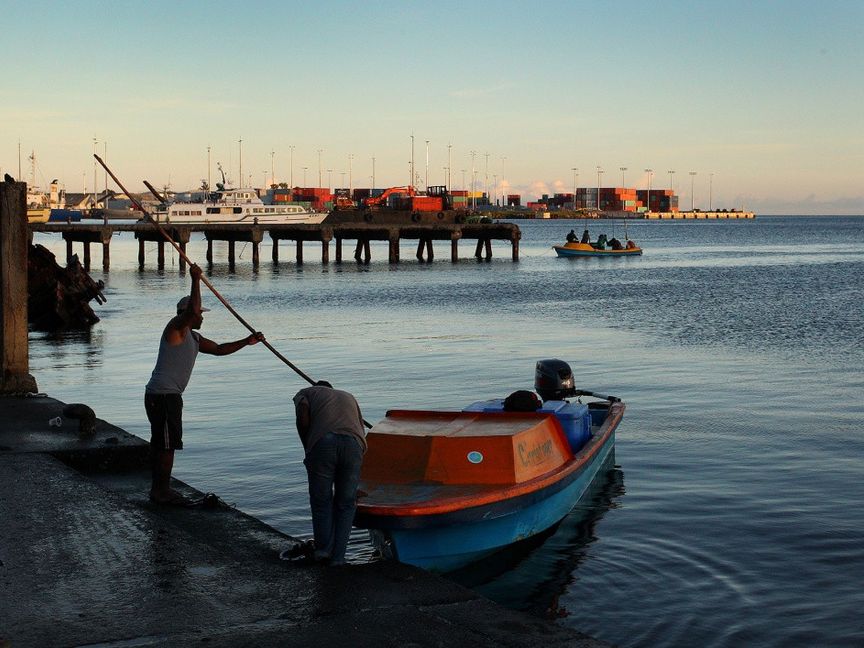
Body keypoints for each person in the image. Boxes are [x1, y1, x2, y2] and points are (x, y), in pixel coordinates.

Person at [145, 264, 264, 505]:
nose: (202, 317)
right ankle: (160, 491)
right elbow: (190, 313)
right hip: (163, 395)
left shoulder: (194, 338)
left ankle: (160, 489)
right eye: (200, 314)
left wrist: (247, 341)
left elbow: (220, 349)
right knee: (166, 446)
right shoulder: (175, 329)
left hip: (167, 396)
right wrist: (196, 279)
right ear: (188, 313)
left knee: (165, 444)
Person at [293, 380, 366, 566]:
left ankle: (323, 550)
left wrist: (307, 448)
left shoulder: (306, 392)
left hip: (324, 442)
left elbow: (303, 417)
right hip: (354, 444)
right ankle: (339, 558)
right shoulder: (348, 396)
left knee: (321, 500)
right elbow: (360, 428)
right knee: (346, 503)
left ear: (318, 387)